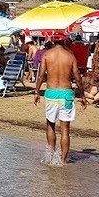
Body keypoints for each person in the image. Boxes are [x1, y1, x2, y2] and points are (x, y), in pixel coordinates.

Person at [34, 36, 88, 165]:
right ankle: (63, 162)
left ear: (53, 41)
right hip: (66, 94)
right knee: (65, 129)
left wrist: (36, 91)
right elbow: (77, 77)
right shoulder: (70, 56)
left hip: (51, 93)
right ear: (64, 41)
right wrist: (82, 95)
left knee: (50, 125)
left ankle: (50, 157)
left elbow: (41, 75)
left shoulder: (47, 54)